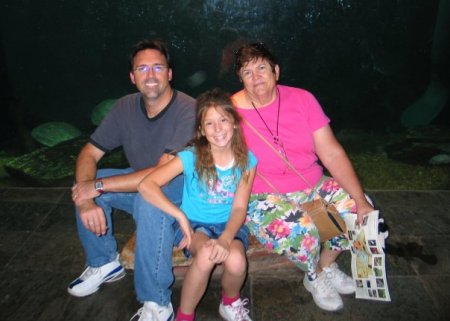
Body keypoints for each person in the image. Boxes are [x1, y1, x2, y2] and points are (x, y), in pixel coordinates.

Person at [231, 43, 375, 312]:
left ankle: (326, 264)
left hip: (312, 184)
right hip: (263, 195)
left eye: (262, 67)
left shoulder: (303, 100)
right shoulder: (231, 112)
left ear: (276, 71)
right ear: (241, 79)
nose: (256, 76)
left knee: (359, 207)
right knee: (302, 227)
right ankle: (314, 276)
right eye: (247, 72)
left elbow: (331, 153)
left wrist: (359, 199)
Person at [68, 38, 196, 316]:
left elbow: (160, 174)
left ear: (169, 73)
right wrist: (88, 198)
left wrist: (97, 186)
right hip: (141, 181)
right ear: (132, 76)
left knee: (148, 200)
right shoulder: (125, 106)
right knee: (89, 179)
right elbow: (88, 153)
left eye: (158, 67)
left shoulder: (189, 109)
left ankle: (157, 302)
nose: (150, 76)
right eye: (142, 69)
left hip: (182, 190)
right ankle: (104, 262)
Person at [136, 89, 257, 321]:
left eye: (223, 119)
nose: (218, 128)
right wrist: (179, 216)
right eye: (209, 123)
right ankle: (185, 315)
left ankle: (230, 302)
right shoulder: (190, 156)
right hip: (197, 225)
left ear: (234, 123)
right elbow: (146, 185)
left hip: (229, 224)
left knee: (237, 260)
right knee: (205, 255)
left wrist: (225, 238)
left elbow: (240, 208)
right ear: (201, 130)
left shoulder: (247, 160)